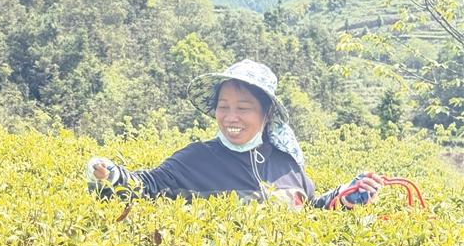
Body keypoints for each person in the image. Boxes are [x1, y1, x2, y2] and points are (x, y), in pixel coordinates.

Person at [86, 59, 383, 210]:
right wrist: (110, 175)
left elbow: (310, 212)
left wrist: (344, 196)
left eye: (243, 108)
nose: (231, 117)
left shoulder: (287, 165)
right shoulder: (195, 160)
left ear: (266, 114)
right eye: (223, 106)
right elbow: (146, 185)